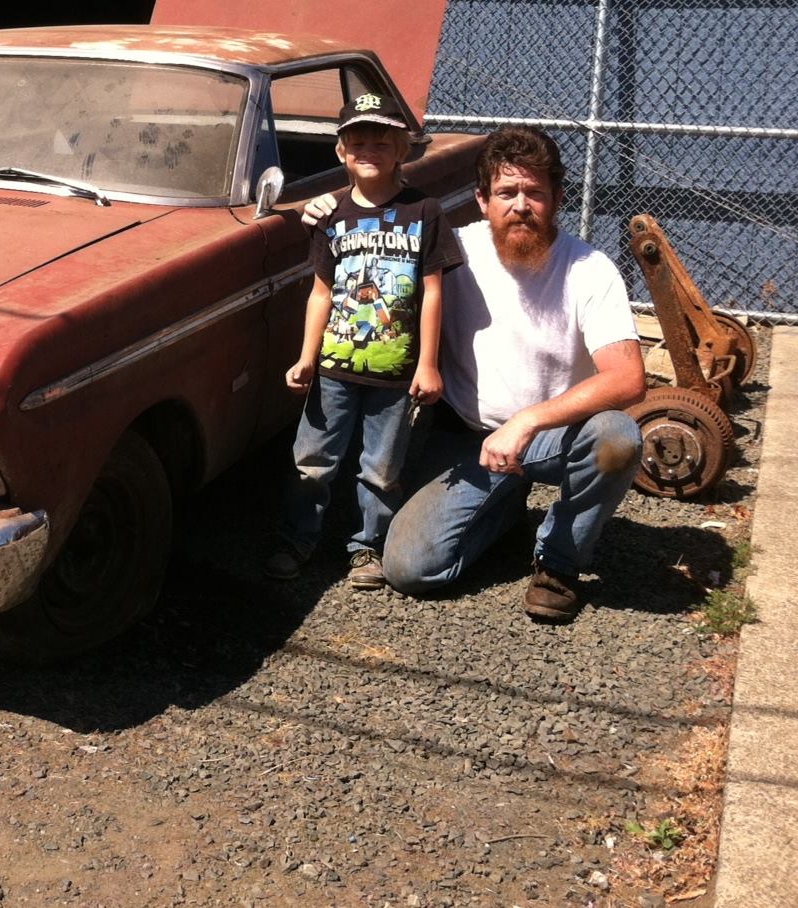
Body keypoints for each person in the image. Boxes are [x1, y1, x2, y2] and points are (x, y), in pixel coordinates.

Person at [300, 125, 648, 621]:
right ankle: (502, 507)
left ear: (557, 199)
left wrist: (527, 421)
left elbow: (627, 379)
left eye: (535, 193)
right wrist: (328, 205)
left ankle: (559, 563)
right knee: (411, 569)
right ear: (482, 200)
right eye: (506, 193)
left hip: (553, 436)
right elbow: (371, 239)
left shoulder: (589, 269)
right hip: (466, 438)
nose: (521, 206)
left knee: (617, 437)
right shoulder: (453, 253)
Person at [264, 93, 462, 587]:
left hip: (395, 374)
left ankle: (367, 546)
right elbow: (321, 292)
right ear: (341, 151)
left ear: (402, 150)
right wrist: (306, 357)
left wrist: (428, 363)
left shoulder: (425, 211)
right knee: (312, 462)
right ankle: (296, 538)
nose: (369, 151)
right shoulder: (330, 215)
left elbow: (433, 293)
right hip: (333, 367)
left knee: (383, 468)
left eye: (381, 142)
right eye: (358, 142)